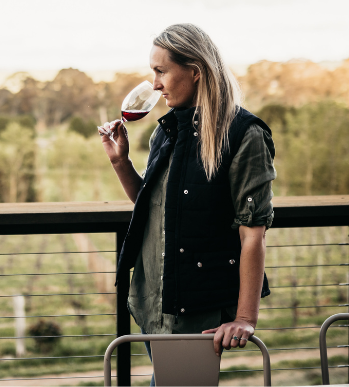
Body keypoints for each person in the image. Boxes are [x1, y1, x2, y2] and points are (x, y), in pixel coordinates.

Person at [99, 24, 274, 367]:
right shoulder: (167, 131)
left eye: (161, 71)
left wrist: (245, 318)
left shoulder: (244, 135)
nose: (154, 84)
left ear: (195, 72)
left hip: (197, 309)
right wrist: (121, 162)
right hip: (154, 303)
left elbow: (253, 234)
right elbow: (157, 208)